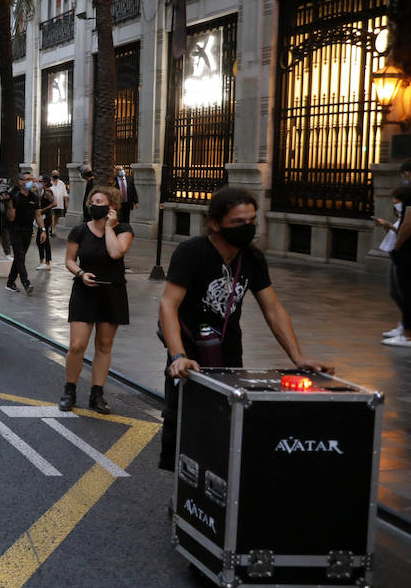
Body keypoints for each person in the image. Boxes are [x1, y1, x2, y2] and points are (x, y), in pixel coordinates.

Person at [157, 186, 333, 470]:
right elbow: (168, 305)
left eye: (251, 221)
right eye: (238, 222)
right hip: (188, 348)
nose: (247, 228)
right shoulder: (191, 252)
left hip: (227, 348)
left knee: (225, 418)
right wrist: (177, 355)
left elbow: (273, 309)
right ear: (215, 224)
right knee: (184, 420)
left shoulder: (251, 258)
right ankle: (184, 494)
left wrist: (298, 358)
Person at [61, 186, 134, 414]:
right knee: (77, 345)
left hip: (112, 292)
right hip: (84, 291)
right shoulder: (80, 231)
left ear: (111, 206)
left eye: (99, 201)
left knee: (104, 345)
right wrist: (81, 274)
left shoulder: (123, 229)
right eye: (92, 201)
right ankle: (69, 390)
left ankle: (97, 394)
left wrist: (110, 228)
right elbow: (70, 261)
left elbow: (115, 253)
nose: (94, 204)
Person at [379, 184, 411, 347]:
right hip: (400, 253)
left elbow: (406, 227)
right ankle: (405, 328)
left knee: (405, 292)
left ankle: (407, 335)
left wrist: (397, 247)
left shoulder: (408, 204)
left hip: (404, 254)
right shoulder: (403, 213)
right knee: (398, 291)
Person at [2, 172, 43, 294]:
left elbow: (38, 215)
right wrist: (9, 205)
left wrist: (43, 230)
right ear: (20, 181)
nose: (31, 181)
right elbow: (11, 218)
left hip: (28, 231)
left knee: (20, 258)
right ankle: (26, 282)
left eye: (31, 179)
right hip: (15, 230)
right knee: (20, 256)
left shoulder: (33, 196)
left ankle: (10, 282)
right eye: (27, 179)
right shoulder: (14, 195)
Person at [35, 174, 55, 271]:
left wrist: (43, 210)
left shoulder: (47, 192)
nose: (38, 183)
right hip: (43, 217)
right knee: (40, 240)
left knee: (43, 239)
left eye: (40, 181)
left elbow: (54, 203)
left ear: (45, 183)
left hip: (46, 218)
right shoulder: (43, 191)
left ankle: (46, 262)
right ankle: (42, 261)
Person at [49, 170, 68, 236]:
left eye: (57, 174)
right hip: (51, 204)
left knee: (57, 217)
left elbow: (65, 193)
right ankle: (52, 230)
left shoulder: (61, 183)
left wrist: (66, 202)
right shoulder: (50, 182)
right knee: (52, 216)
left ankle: (53, 228)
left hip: (59, 203)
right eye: (55, 174)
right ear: (52, 175)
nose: (56, 176)